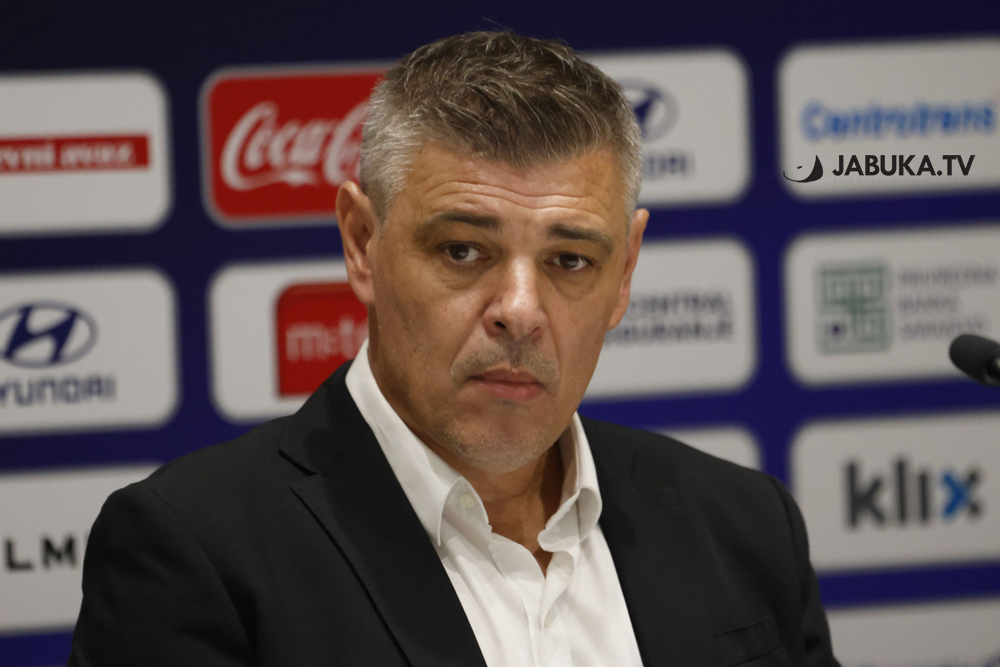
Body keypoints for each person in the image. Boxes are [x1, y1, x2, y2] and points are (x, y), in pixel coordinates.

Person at [69, 31, 839, 666]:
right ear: (362, 243)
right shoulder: (194, 551)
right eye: (463, 250)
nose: (520, 311)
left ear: (626, 271)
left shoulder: (745, 523)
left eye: (570, 259)